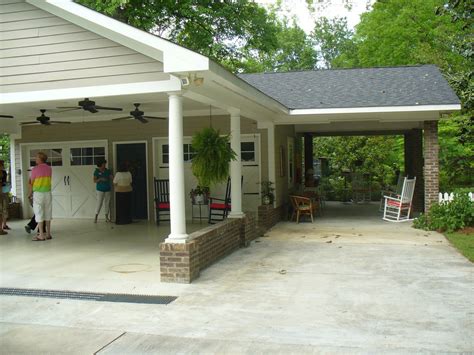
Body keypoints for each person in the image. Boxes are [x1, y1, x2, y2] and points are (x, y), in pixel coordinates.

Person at [28, 152, 52, 241]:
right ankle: (48, 234)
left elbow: (31, 183)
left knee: (39, 213)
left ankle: (41, 235)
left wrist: (29, 194)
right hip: (48, 193)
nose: (35, 159)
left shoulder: (35, 169)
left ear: (40, 159)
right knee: (48, 212)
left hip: (38, 193)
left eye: (36, 157)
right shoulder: (49, 168)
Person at [93, 159, 113, 223]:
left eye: (105, 164)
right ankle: (96, 217)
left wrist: (113, 178)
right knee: (99, 203)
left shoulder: (108, 171)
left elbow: (112, 177)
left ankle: (106, 217)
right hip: (100, 190)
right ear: (100, 165)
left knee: (107, 203)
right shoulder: (96, 171)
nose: (105, 165)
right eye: (104, 164)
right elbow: (94, 181)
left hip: (107, 189)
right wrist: (100, 179)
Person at [0, 160, 9, 235]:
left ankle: (4, 225)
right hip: (2, 193)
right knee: (2, 210)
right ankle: (1, 228)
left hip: (3, 192)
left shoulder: (4, 173)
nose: (3, 166)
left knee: (4, 210)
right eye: (2, 164)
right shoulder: (2, 173)